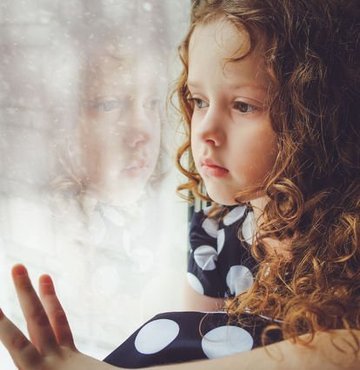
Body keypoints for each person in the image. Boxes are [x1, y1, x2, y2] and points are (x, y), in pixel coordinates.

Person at [0, 0, 359, 369]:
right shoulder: (214, 234)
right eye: (199, 101)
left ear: (315, 116)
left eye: (243, 106)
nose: (205, 129)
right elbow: (189, 352)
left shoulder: (350, 241)